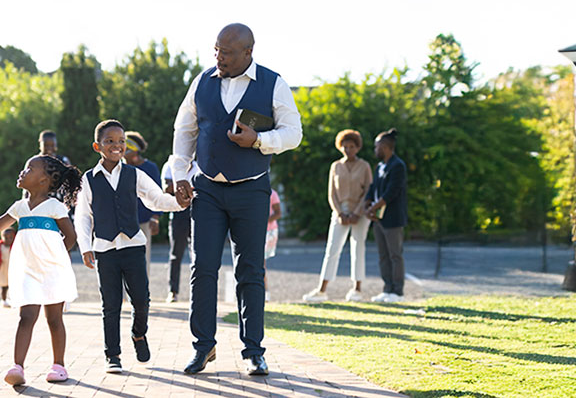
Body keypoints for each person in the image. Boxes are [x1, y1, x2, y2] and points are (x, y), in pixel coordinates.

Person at [169, 23, 303, 376]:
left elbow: (293, 133)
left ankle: (254, 351)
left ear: (248, 52)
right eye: (216, 49)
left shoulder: (273, 83)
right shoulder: (201, 82)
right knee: (202, 268)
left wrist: (259, 140)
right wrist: (180, 175)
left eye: (226, 52)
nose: (219, 57)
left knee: (251, 271)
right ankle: (203, 346)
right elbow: (185, 130)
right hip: (207, 189)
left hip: (252, 189)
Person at [76, 119, 189, 374]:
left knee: (141, 300)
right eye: (110, 141)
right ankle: (112, 355)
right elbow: (83, 216)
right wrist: (85, 246)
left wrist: (178, 204)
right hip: (105, 249)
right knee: (111, 304)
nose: (117, 145)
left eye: (121, 141)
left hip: (134, 246)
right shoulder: (88, 179)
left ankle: (139, 334)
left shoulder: (134, 174)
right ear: (97, 146)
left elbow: (156, 199)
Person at [0, 155, 82, 385]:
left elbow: (71, 237)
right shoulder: (19, 207)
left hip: (52, 271)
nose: (23, 172)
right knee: (26, 317)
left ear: (44, 180)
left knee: (54, 319)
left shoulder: (55, 206)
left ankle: (58, 366)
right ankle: (17, 367)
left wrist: (57, 257)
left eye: (29, 169)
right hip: (28, 273)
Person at [303, 129, 373, 302]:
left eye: (351, 146)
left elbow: (369, 191)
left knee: (358, 248)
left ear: (358, 147)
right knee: (332, 249)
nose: (348, 150)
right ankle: (321, 290)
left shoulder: (364, 166)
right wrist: (340, 213)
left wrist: (356, 213)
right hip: (340, 211)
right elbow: (331, 193)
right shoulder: (336, 166)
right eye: (345, 147)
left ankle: (357, 289)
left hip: (360, 212)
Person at [365, 129, 407, 303]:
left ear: (385, 147)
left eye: (377, 146)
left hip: (393, 219)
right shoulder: (380, 166)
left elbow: (391, 192)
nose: (375, 149)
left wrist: (373, 208)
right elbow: (373, 187)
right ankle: (387, 289)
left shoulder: (398, 166)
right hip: (378, 219)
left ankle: (397, 292)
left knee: (395, 255)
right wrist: (367, 204)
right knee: (383, 256)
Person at [161, 160, 200, 303]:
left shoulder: (199, 166)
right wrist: (187, 186)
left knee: (197, 254)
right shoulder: (170, 166)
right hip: (178, 211)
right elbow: (167, 189)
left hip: (197, 210)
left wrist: (182, 187)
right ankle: (173, 291)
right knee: (176, 254)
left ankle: (197, 292)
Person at [123, 131, 162, 269]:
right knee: (124, 260)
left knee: (143, 259)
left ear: (134, 151)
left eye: (125, 150)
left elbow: (157, 194)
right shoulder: (120, 168)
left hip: (144, 220)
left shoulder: (150, 168)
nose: (122, 154)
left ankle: (144, 284)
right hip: (124, 221)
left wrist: (155, 217)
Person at [264, 188, 281, 301]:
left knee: (260, 262)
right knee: (259, 262)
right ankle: (264, 290)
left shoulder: (272, 194)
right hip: (257, 230)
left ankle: (265, 291)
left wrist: (262, 220)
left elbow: (278, 213)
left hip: (269, 231)